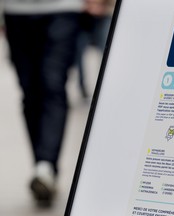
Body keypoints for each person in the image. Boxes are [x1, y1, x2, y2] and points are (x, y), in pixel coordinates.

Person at [1, 0, 110, 206]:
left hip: (63, 8)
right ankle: (43, 165)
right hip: (16, 11)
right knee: (30, 91)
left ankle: (45, 165)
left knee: (53, 84)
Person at [75, 0, 115, 98]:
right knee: (79, 54)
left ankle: (107, 87)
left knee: (108, 55)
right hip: (83, 17)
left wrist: (102, 6)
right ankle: (82, 87)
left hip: (104, 15)